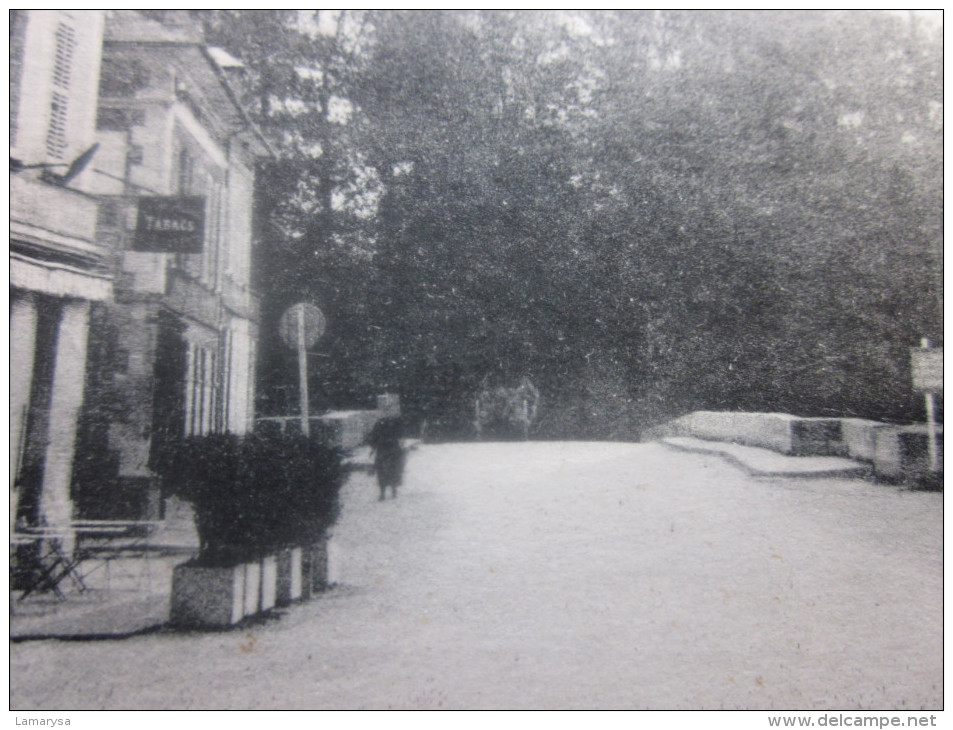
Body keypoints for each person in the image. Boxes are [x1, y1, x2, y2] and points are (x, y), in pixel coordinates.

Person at [367, 417, 406, 500]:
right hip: (388, 450)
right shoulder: (392, 423)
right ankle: (389, 491)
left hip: (387, 450)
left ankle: (386, 492)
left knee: (385, 471)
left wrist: (373, 447)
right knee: (390, 470)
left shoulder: (381, 424)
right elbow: (400, 436)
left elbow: (374, 438)